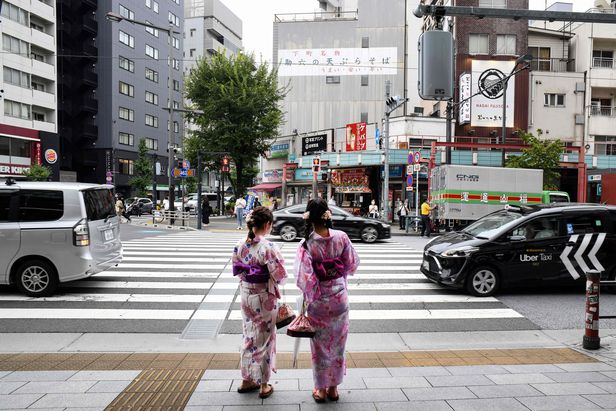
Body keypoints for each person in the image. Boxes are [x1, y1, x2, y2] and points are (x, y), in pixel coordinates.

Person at [295, 198, 360, 403]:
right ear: (327, 214)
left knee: (320, 347)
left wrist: (311, 296)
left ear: (308, 217)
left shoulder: (306, 243)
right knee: (338, 345)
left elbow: (304, 278)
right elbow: (351, 264)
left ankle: (320, 389)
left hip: (319, 301)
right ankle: (333, 389)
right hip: (339, 297)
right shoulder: (341, 237)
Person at [232, 207, 287, 399]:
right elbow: (279, 275)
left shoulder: (239, 244)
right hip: (264, 297)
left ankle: (247, 379)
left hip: (246, 294)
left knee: (249, 336)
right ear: (267, 225)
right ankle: (264, 384)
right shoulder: (267, 247)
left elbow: (237, 270)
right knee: (264, 339)